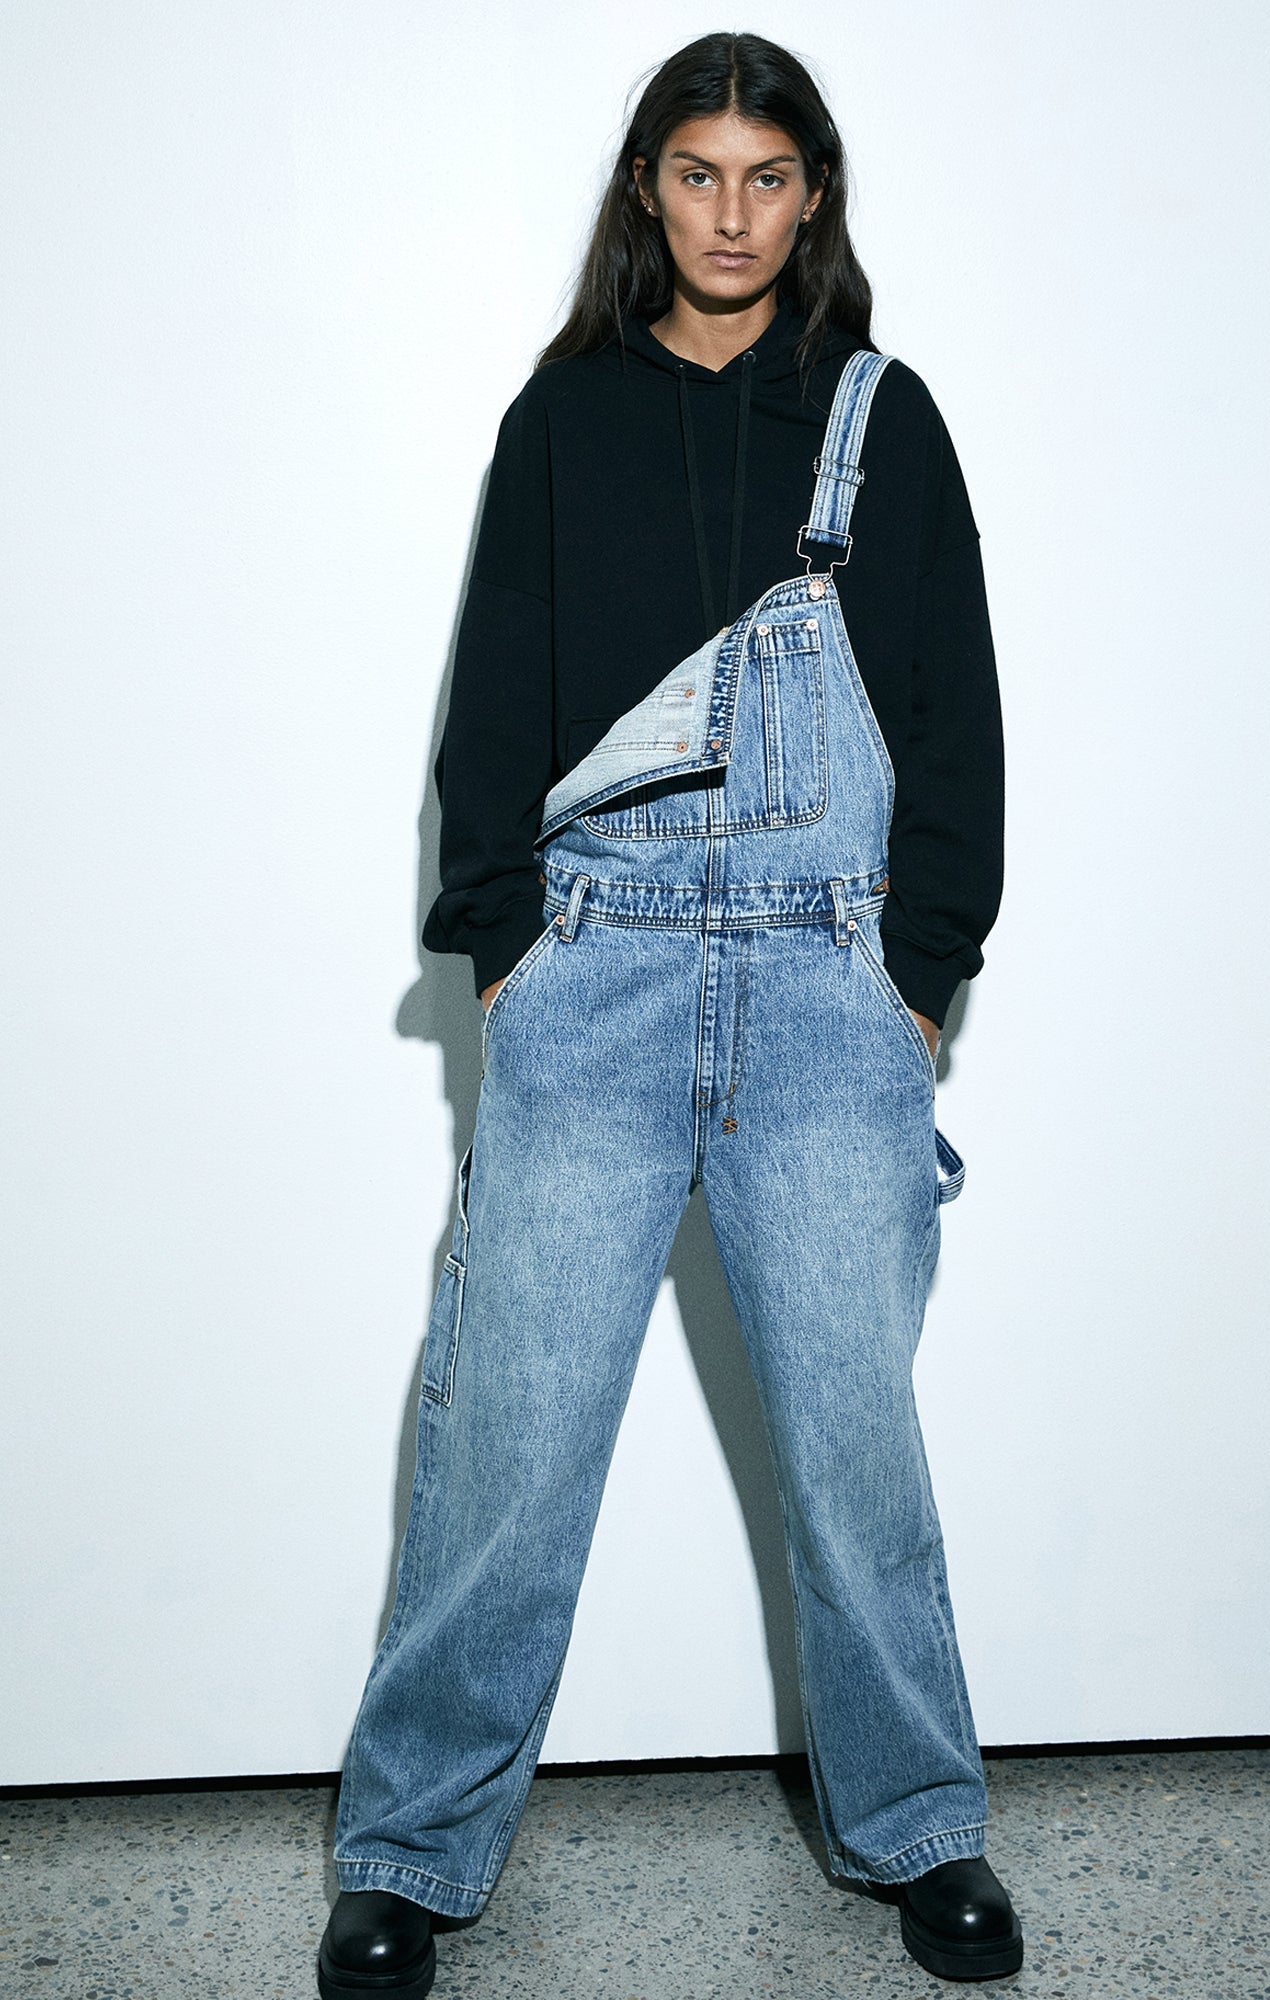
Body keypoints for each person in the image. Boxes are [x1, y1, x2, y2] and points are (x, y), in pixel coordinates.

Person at [317, 31, 1016, 1997]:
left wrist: (918, 971)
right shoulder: (564, 416)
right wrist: (503, 944)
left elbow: (953, 702)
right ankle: (409, 1850)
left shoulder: (881, 417)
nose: (729, 214)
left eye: (765, 178)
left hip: (824, 991)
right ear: (648, 188)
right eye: (695, 174)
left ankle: (922, 1823)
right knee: (508, 1440)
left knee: (854, 1441)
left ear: (813, 198)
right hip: (596, 976)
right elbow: (497, 687)